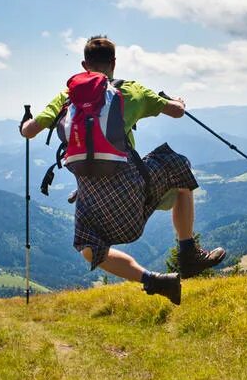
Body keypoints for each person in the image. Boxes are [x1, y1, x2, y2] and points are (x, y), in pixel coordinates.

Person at [20, 35, 226, 305]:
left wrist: (25, 121)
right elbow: (177, 112)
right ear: (114, 63)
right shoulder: (131, 91)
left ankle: (152, 280)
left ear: (84, 65)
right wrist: (177, 100)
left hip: (91, 195)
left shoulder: (66, 97)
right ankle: (188, 253)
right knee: (178, 165)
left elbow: (29, 131)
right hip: (132, 187)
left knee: (89, 248)